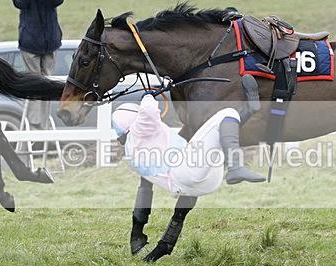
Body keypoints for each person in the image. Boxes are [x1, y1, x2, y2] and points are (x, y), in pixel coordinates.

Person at [112, 81, 265, 198]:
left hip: (196, 186)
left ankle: (249, 110)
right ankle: (235, 167)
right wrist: (148, 96)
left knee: (220, 130)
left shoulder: (131, 147)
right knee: (226, 114)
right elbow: (149, 110)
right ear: (131, 119)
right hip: (185, 172)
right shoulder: (137, 132)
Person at [11, 0, 64, 129]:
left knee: (48, 82)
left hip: (50, 40)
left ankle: (46, 121)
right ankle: (35, 124)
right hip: (30, 41)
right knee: (34, 81)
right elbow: (19, 2)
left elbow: (58, 0)